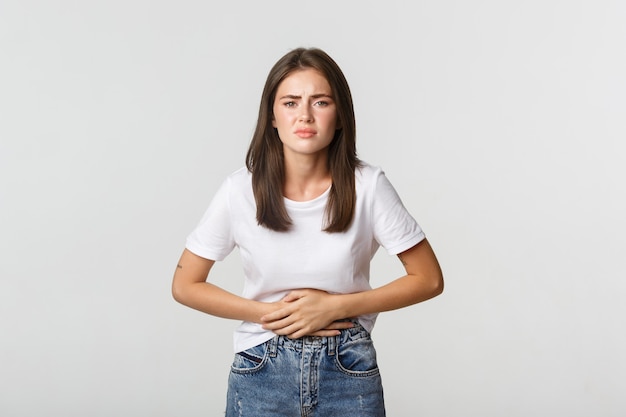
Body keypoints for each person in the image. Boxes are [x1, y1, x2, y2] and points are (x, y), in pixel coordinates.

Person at [172, 47, 443, 417]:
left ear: (340, 115)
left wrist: (336, 306)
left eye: (320, 102)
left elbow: (428, 279)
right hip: (261, 371)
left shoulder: (368, 186)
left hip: (347, 369)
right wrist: (268, 314)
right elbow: (186, 285)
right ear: (272, 116)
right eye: (290, 102)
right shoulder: (240, 190)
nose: (304, 115)